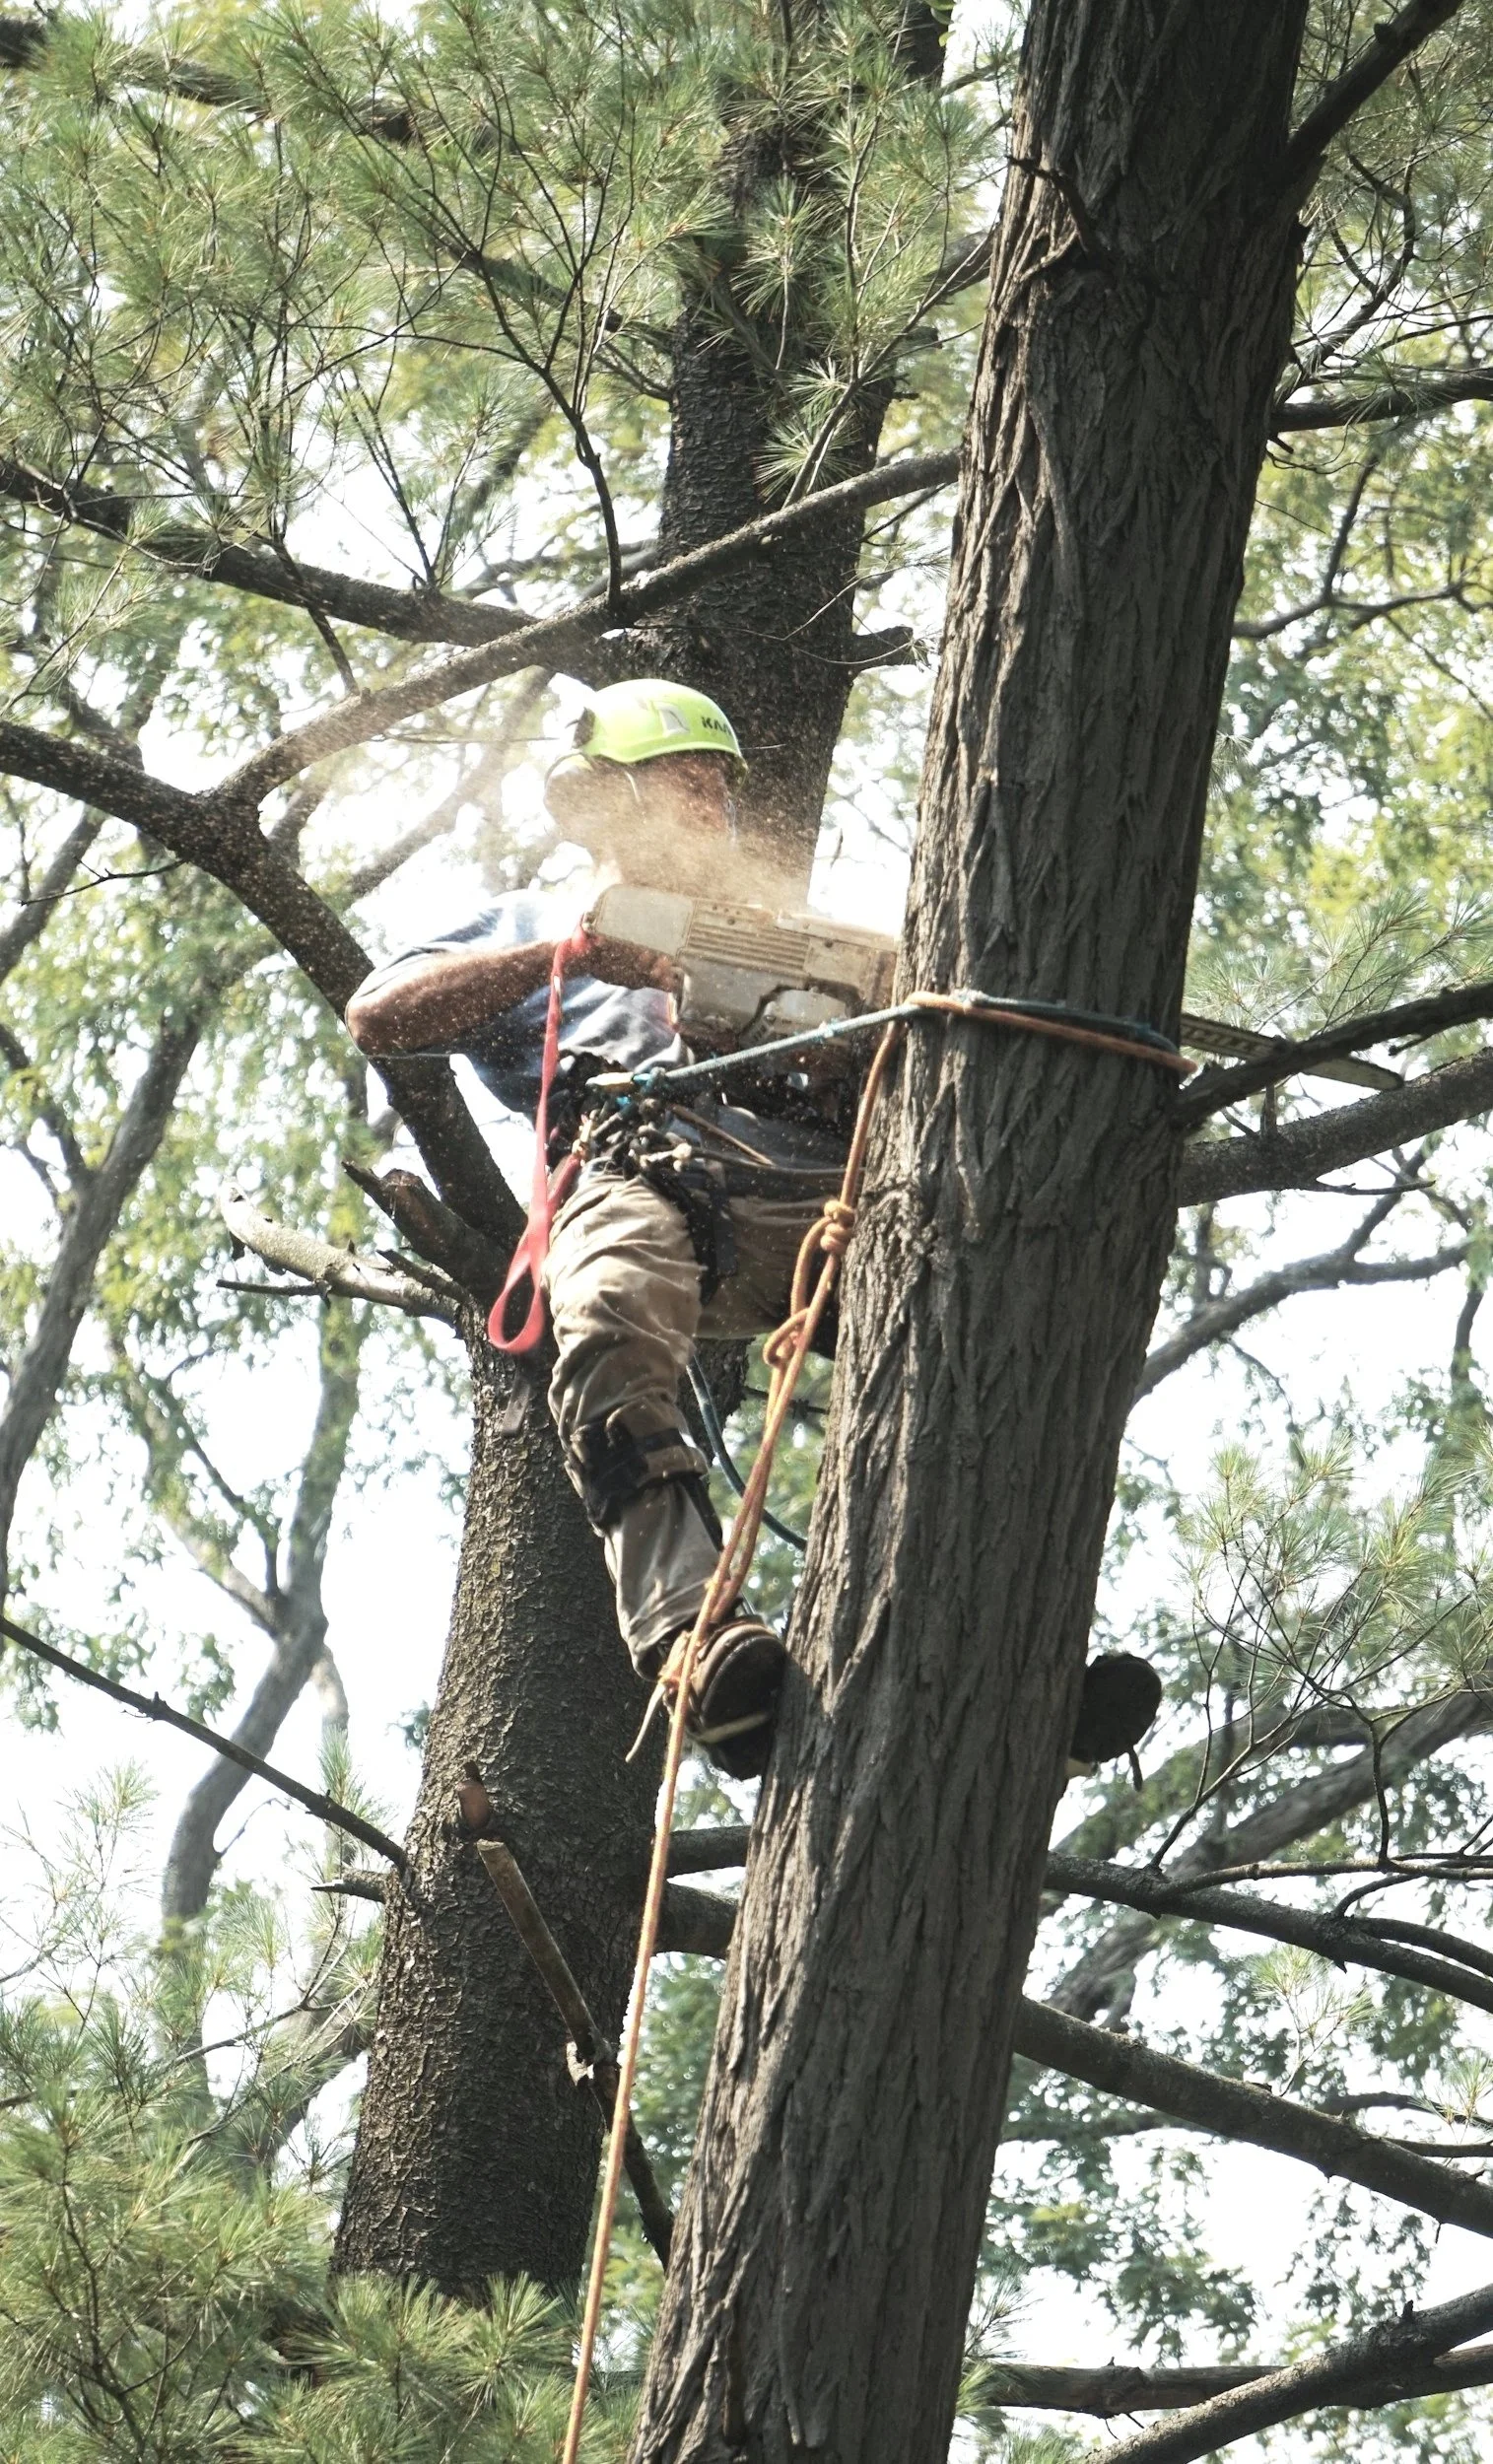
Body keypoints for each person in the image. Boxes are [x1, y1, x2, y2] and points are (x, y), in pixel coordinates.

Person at [346, 678, 1161, 1784]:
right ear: (603, 801)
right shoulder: (533, 926)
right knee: (612, 1312)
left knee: (980, 1322)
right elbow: (380, 1017)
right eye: (688, 784)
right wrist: (581, 955)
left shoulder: (780, 937)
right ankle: (694, 1643)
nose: (713, 810)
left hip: (814, 1188)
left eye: (723, 790)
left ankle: (1012, 1650)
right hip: (641, 1171)